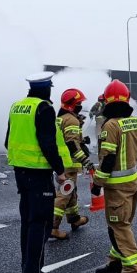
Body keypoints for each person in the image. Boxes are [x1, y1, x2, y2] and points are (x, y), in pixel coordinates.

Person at [5, 72, 68, 273]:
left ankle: (32, 270)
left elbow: (7, 140)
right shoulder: (44, 108)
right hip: (39, 175)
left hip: (20, 172)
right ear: (47, 88)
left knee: (28, 222)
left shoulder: (17, 106)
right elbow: (48, 143)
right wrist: (60, 170)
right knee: (40, 223)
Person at [92, 80, 137, 273]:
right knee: (118, 225)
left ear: (107, 101)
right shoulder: (135, 122)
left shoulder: (110, 125)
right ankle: (116, 262)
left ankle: (133, 271)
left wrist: (97, 182)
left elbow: (107, 158)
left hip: (116, 186)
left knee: (119, 226)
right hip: (131, 182)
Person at [52, 88, 93, 240]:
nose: (80, 105)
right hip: (69, 162)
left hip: (62, 161)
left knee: (71, 191)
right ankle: (53, 227)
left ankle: (74, 219)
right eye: (79, 103)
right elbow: (72, 145)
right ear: (72, 105)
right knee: (64, 193)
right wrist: (86, 161)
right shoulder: (71, 120)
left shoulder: (61, 118)